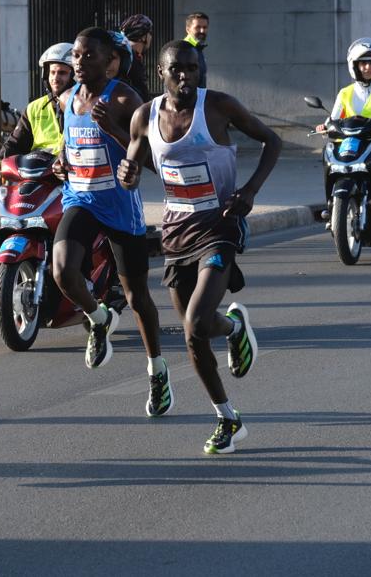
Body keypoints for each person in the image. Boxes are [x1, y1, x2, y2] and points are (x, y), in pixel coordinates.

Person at [118, 40, 281, 454]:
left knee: (192, 324)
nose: (186, 76)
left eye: (193, 68)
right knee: (200, 333)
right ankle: (235, 328)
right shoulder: (145, 116)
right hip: (176, 233)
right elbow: (132, 167)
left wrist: (249, 190)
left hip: (220, 226)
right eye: (177, 70)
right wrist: (126, 174)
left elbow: (271, 141)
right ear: (162, 73)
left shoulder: (220, 107)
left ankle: (228, 420)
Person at [52, 27, 169, 418]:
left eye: (88, 56)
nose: (79, 63)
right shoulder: (67, 99)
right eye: (76, 56)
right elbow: (69, 144)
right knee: (63, 272)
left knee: (137, 297)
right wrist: (61, 161)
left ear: (109, 61)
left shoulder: (124, 98)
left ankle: (157, 369)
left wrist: (114, 130)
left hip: (119, 206)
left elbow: (150, 157)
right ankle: (99, 318)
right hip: (81, 198)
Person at [317, 38, 371, 223]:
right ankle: (331, 207)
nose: (368, 68)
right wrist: (324, 126)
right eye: (363, 63)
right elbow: (333, 118)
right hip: (349, 142)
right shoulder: (345, 93)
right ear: (354, 66)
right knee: (328, 159)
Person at [0, 42, 74, 172]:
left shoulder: (81, 107)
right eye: (52, 72)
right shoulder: (34, 107)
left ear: (74, 76)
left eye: (62, 73)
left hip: (69, 174)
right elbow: (16, 141)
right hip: (37, 174)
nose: (55, 78)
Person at [119, 13, 154, 101]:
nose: (151, 37)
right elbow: (141, 91)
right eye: (150, 33)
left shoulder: (124, 52)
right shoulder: (130, 56)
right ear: (142, 37)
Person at [183, 11, 209, 89]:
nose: (202, 31)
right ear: (188, 29)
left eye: (205, 27)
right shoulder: (183, 49)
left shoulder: (198, 49)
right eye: (198, 27)